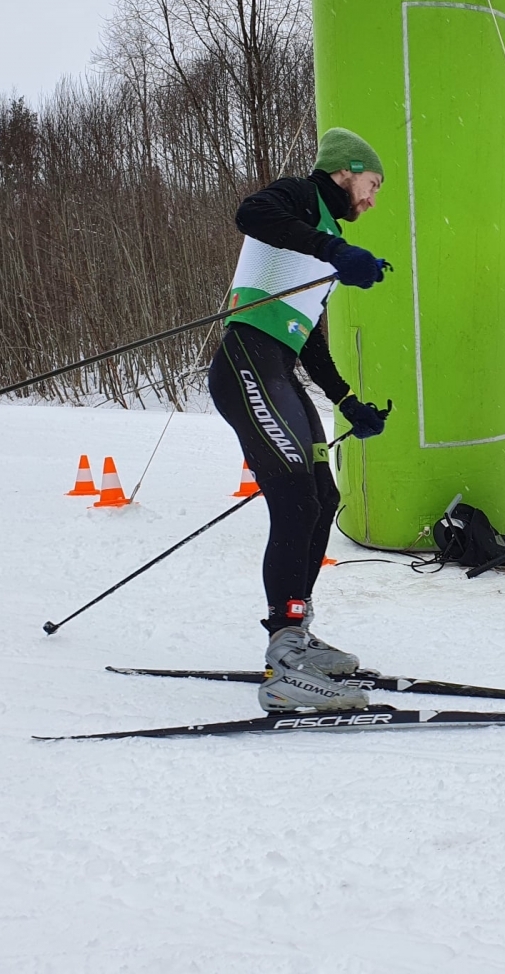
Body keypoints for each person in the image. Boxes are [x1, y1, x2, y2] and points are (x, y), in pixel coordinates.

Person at [208, 127, 391, 713]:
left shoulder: (325, 235)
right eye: (372, 184)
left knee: (321, 495)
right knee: (294, 499)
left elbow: (307, 339)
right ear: (347, 170)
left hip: (279, 370)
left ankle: (296, 634)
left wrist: (348, 401)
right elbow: (249, 212)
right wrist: (335, 253)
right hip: (246, 364)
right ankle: (284, 661)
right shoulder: (298, 199)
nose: (372, 198)